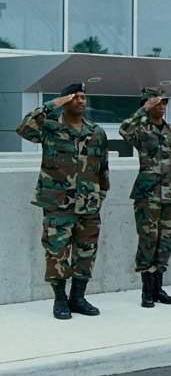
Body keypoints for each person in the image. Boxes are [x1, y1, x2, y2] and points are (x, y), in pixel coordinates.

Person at [17, 83, 109, 320]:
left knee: (86, 252)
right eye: (75, 97)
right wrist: (53, 104)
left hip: (89, 205)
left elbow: (103, 168)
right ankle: (60, 300)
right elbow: (24, 128)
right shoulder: (50, 128)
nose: (81, 101)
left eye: (83, 97)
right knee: (56, 253)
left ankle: (78, 298)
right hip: (58, 204)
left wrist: (100, 195)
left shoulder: (96, 132)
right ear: (65, 100)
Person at [120, 87, 171, 309]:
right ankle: (147, 291)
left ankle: (158, 288)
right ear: (147, 104)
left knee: (165, 241)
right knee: (148, 240)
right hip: (147, 194)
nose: (162, 106)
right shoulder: (141, 130)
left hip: (170, 194)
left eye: (164, 102)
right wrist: (143, 110)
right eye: (157, 102)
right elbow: (124, 130)